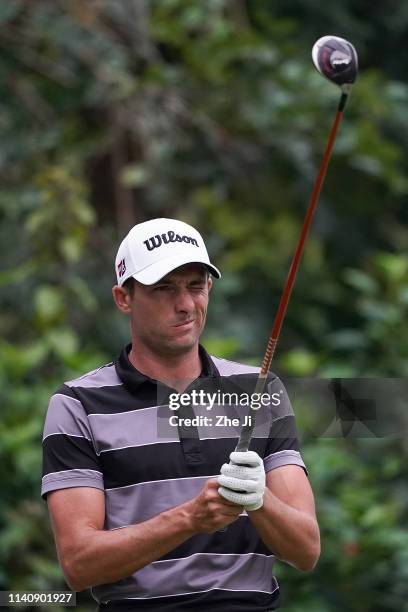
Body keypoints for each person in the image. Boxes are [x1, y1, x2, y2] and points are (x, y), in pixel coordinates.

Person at [42, 218, 320, 611]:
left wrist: (260, 501)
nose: (186, 304)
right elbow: (78, 564)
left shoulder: (261, 389)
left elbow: (306, 550)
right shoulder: (77, 404)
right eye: (164, 289)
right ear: (124, 298)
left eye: (196, 286)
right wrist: (190, 518)